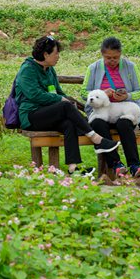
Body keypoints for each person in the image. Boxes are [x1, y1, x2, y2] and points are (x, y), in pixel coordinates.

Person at [16, 35, 120, 176]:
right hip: (31, 116)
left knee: (68, 124)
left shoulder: (50, 70)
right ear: (45, 54)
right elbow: (34, 95)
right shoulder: (27, 70)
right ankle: (96, 138)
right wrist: (61, 100)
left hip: (48, 114)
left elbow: (59, 92)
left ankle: (73, 168)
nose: (58, 56)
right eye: (56, 53)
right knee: (64, 106)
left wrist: (66, 100)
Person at [82, 37, 140, 178]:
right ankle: (116, 164)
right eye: (108, 58)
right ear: (101, 54)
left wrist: (127, 96)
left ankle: (134, 165)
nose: (112, 61)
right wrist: (101, 94)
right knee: (98, 123)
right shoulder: (93, 68)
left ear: (121, 54)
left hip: (125, 110)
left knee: (124, 124)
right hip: (101, 111)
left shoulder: (130, 67)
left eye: (116, 58)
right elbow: (83, 92)